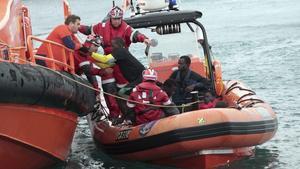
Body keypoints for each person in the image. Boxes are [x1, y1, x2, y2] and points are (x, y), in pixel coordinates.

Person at [79, 6, 151, 55]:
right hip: (107, 58)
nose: (116, 21)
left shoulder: (126, 28)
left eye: (118, 19)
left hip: (122, 58)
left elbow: (136, 35)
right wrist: (78, 27)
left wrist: (144, 39)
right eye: (114, 19)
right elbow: (88, 30)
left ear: (121, 18)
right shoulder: (102, 26)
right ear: (110, 18)